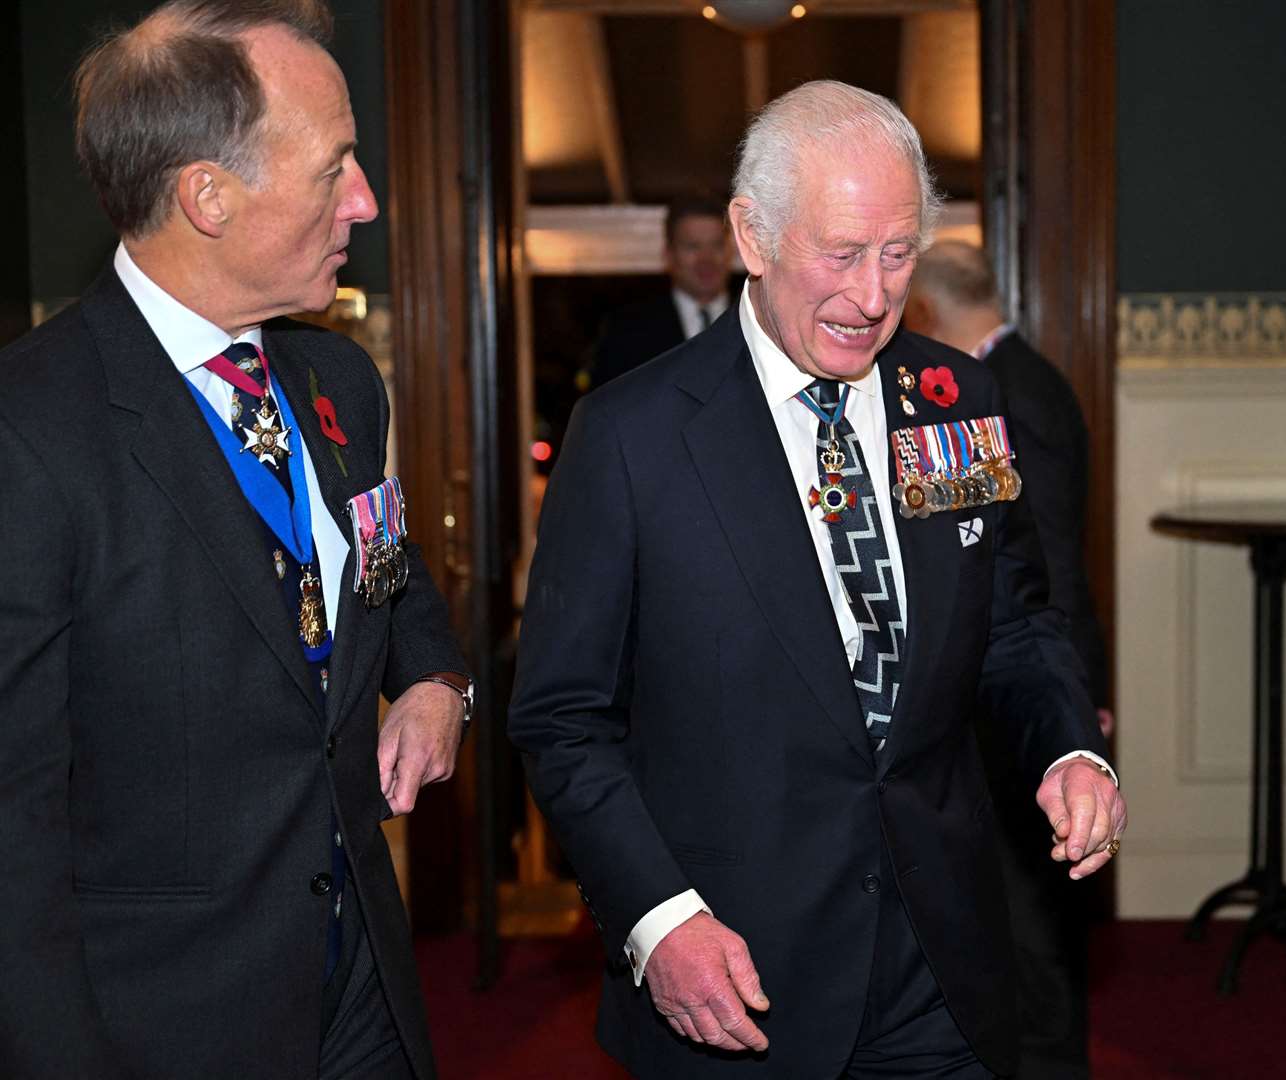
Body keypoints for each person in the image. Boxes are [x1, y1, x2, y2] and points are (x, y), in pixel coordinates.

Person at [508, 80, 1125, 1079]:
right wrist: (660, 922)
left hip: (944, 964)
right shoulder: (632, 435)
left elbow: (1010, 622)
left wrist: (1068, 749)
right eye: (840, 255)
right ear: (752, 237)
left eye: (898, 255)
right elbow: (562, 719)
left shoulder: (955, 400)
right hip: (737, 977)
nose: (875, 296)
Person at [0, 3, 471, 1076]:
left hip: (364, 993)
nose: (367, 200)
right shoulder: (30, 429)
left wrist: (438, 679)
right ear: (206, 196)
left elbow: (388, 582)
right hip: (162, 1026)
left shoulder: (340, 380)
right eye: (334, 167)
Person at [906, 239, 1109, 1078]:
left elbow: (1045, 570)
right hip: (1026, 682)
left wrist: (1068, 707)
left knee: (1030, 919)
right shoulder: (1024, 375)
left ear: (922, 308)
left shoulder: (1001, 396)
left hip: (1023, 693)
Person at [589, 195, 735, 386]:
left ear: (731, 251)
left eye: (716, 245)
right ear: (668, 256)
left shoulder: (760, 321)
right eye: (693, 247)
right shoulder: (628, 331)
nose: (706, 259)